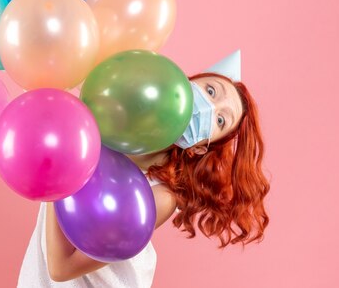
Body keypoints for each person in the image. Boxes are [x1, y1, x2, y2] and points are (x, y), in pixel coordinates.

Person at [17, 50, 271, 287]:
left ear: (200, 147)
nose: (207, 106)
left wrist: (63, 169)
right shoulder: (108, 124)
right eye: (211, 91)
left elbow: (61, 269)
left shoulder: (162, 196)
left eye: (219, 120)